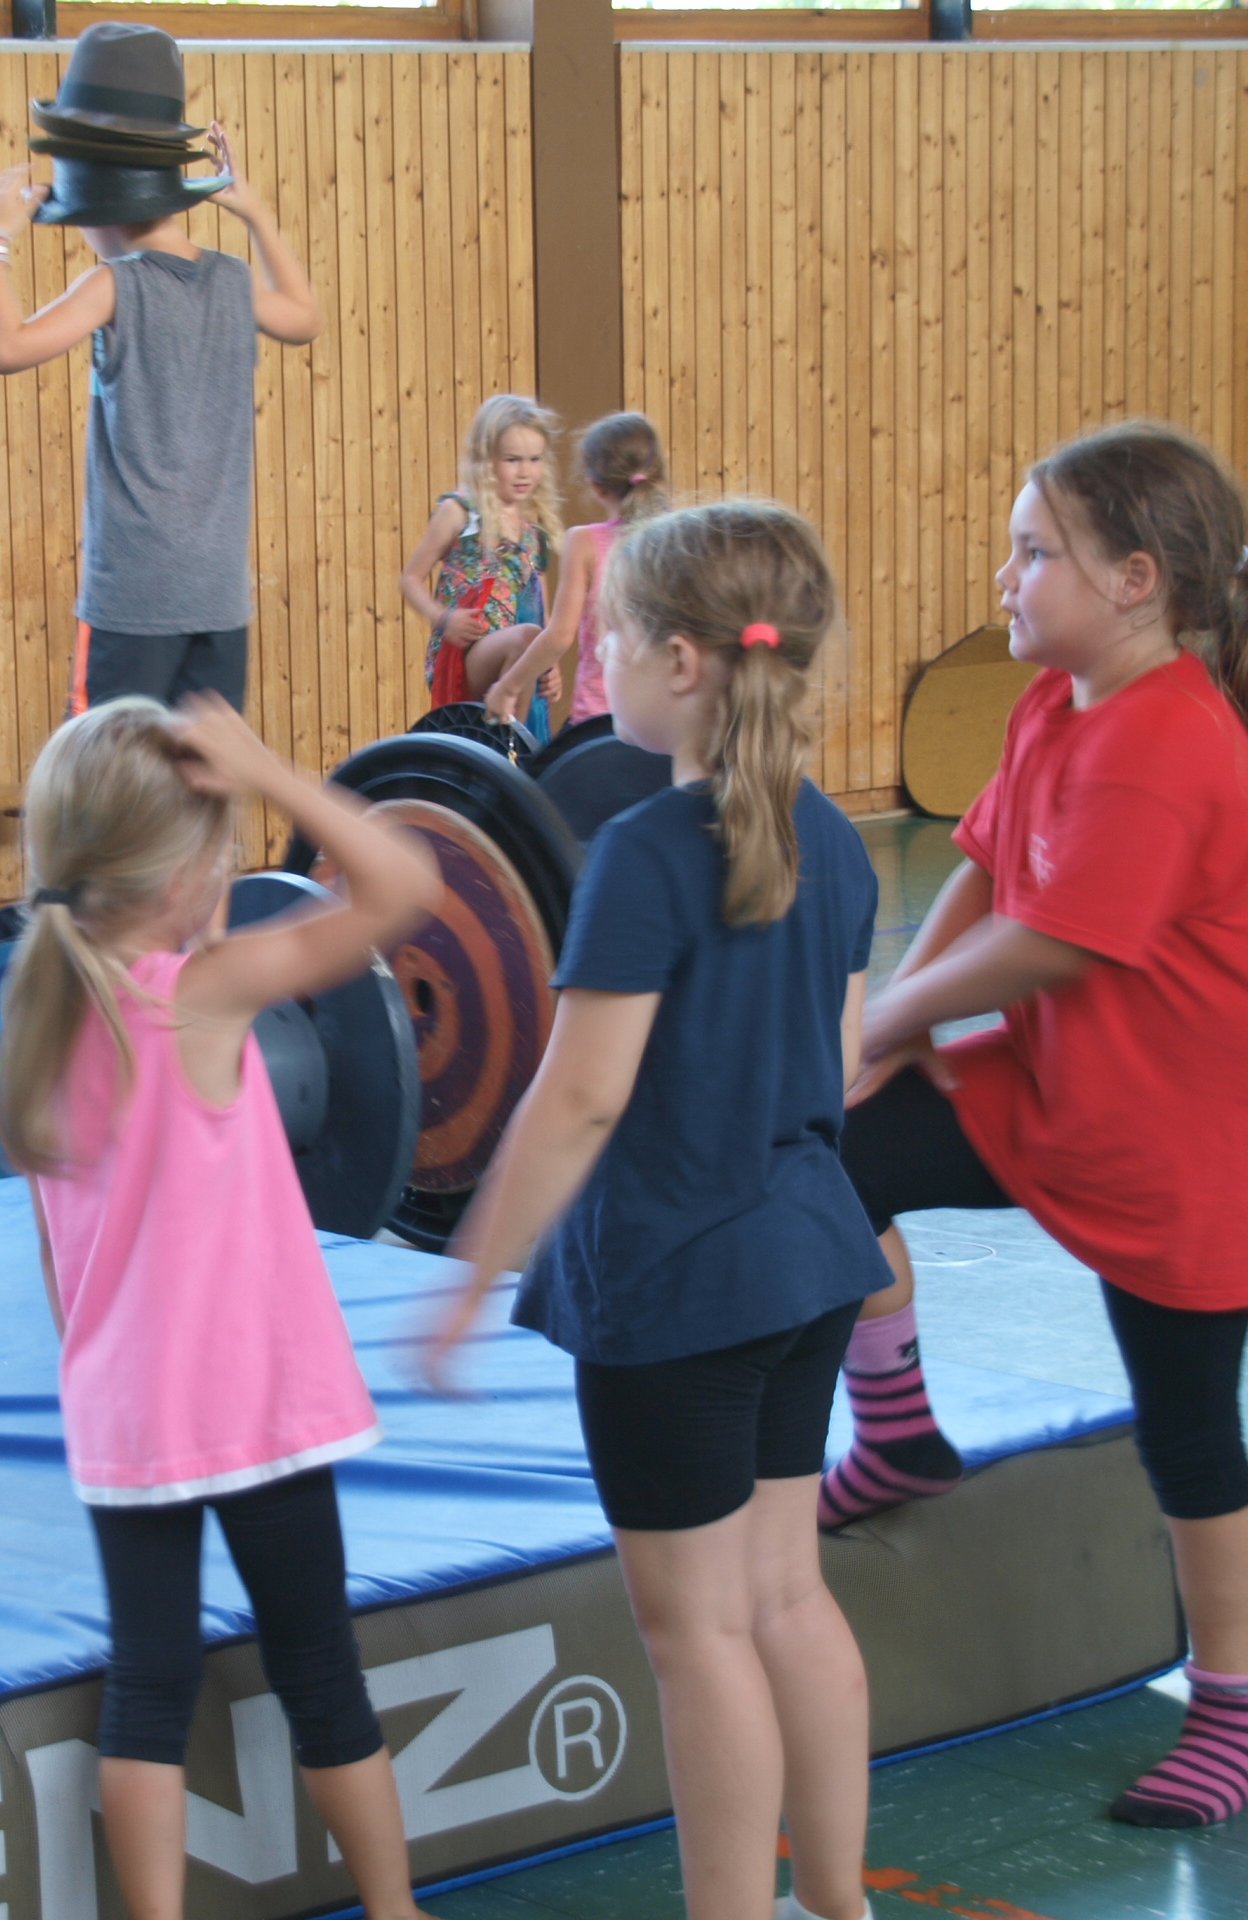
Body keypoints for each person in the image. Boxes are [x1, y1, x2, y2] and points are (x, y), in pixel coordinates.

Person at [828, 421, 1248, 1831]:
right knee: (829, 1156)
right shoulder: (1057, 703)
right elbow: (988, 871)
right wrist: (906, 1023)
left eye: (1033, 552)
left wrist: (890, 1017)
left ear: (1133, 580)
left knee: (1191, 1439)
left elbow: (1057, 941)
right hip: (1056, 1092)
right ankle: (897, 1432)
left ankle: (1234, 1718)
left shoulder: (1168, 737)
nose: (1005, 576)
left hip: (1181, 1151)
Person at [425, 502, 884, 1920]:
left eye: (613, 634)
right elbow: (842, 1065)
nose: (598, 659)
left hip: (680, 1293)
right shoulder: (835, 838)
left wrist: (468, 1278)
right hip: (807, 1270)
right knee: (786, 1596)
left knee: (697, 1635)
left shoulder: (644, 849)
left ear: (682, 662)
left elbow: (579, 1098)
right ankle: (838, 1901)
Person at [1, 695, 442, 1920]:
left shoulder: (34, 1016)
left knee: (147, 1692)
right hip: (255, 1404)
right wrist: (270, 771)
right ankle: (395, 1913)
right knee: (321, 1673)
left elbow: (57, 1264)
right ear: (186, 876)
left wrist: (107, 1382)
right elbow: (403, 885)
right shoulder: (202, 992)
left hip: (126, 1418)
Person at [0, 22, 319, 714]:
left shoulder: (115, 284)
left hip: (133, 602)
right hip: (217, 597)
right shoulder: (233, 280)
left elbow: (5, 348)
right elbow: (305, 317)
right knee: (206, 774)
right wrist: (255, 214)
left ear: (99, 204)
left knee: (109, 774)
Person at [485, 410, 666, 730]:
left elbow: (559, 636)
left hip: (598, 723)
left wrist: (507, 687)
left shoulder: (585, 542)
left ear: (595, 484)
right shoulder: (679, 538)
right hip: (663, 726)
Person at [399, 394, 564, 729]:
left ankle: (515, 743)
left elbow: (542, 616)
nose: (525, 472)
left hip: (516, 652)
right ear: (486, 459)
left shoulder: (533, 536)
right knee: (526, 639)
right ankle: (507, 743)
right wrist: (443, 618)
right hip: (465, 654)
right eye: (512, 460)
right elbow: (410, 579)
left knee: (529, 639)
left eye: (534, 459)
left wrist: (551, 665)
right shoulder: (460, 513)